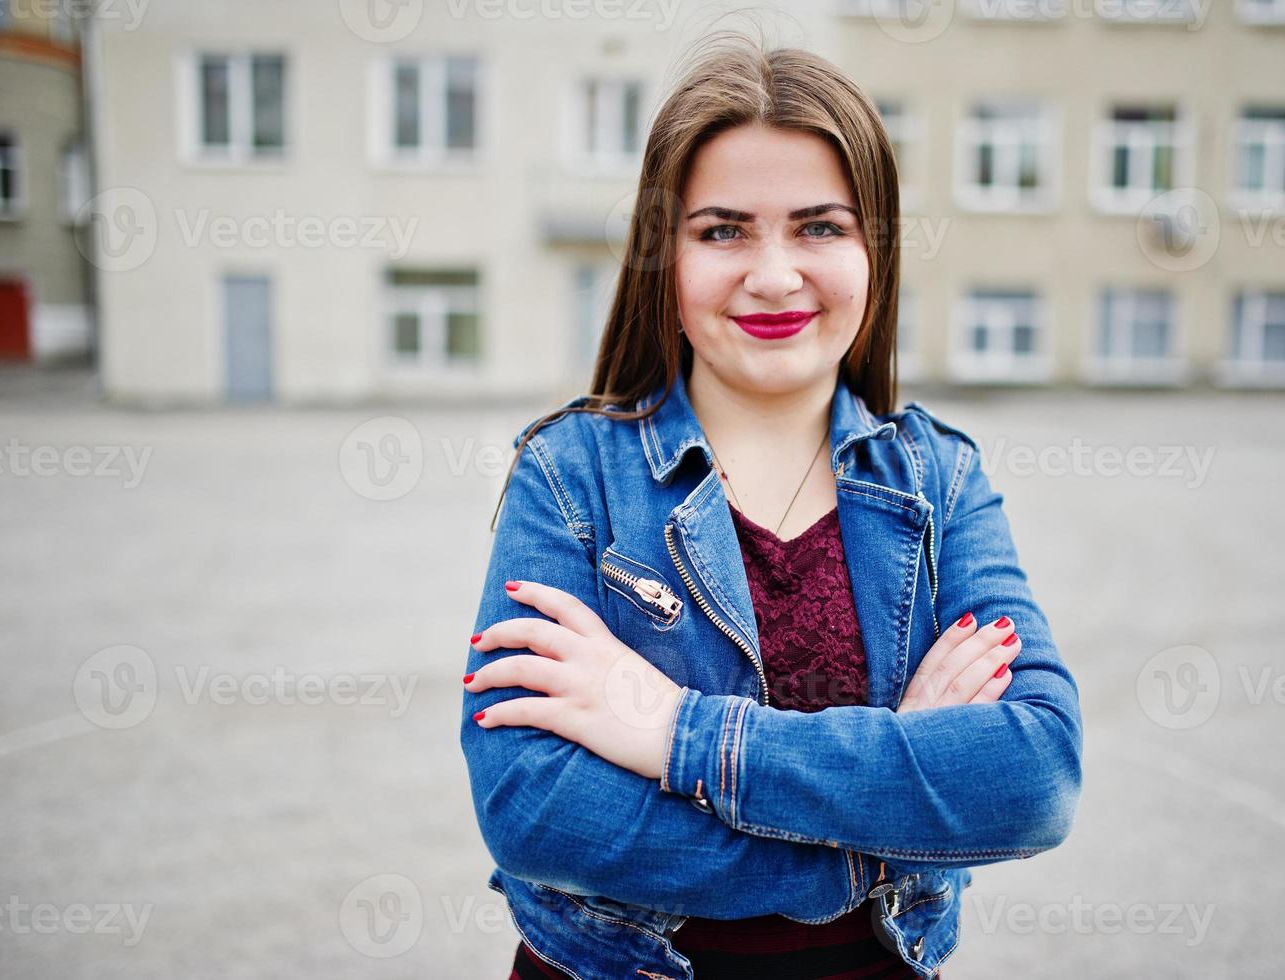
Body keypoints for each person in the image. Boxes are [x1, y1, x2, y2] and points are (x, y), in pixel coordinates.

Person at [459, 31, 1084, 980]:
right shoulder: (569, 473)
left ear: (874, 250)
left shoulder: (937, 479)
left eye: (820, 227)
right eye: (722, 230)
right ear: (661, 257)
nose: (774, 274)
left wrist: (674, 733)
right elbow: (534, 809)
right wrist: (871, 841)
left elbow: (1030, 777)